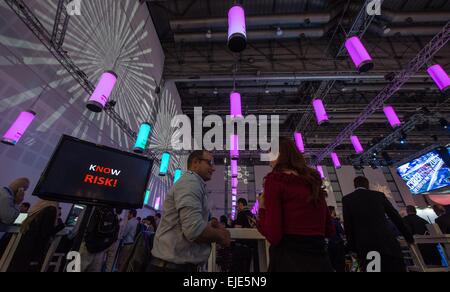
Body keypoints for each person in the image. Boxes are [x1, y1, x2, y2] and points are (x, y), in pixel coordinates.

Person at [257, 138, 335, 272]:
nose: (270, 162)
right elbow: (329, 229)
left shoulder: (275, 180)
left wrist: (262, 209)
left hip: (289, 260)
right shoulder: (313, 181)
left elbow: (273, 235)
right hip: (320, 260)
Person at [150, 150, 231, 272]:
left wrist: (214, 225)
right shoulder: (190, 183)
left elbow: (199, 222)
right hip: (171, 267)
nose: (213, 168)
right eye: (209, 163)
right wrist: (221, 236)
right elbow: (195, 230)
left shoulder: (196, 184)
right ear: (195, 162)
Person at [343, 176, 414, 272]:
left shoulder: (347, 199)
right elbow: (396, 217)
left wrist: (352, 247)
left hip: (367, 247)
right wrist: (409, 237)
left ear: (354, 185)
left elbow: (348, 226)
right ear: (367, 185)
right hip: (388, 245)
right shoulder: (379, 195)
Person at [8, 200, 63, 272]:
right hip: (34, 251)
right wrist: (61, 226)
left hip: (24, 249)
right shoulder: (51, 209)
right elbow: (45, 233)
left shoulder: (36, 210)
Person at [80, 207, 119, 272]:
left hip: (87, 247)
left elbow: (78, 228)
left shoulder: (91, 208)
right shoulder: (113, 213)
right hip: (100, 249)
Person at [327, 206, 346, 273]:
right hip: (338, 244)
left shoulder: (326, 222)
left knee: (333, 263)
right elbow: (342, 232)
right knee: (340, 264)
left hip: (330, 245)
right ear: (332, 211)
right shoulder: (335, 221)